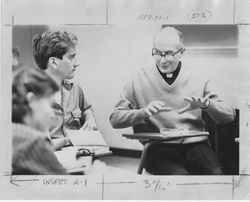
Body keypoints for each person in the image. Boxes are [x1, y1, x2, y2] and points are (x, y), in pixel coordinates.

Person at [109, 26, 236, 175]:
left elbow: (230, 116)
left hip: (196, 146)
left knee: (216, 177)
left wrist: (207, 105)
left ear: (182, 52)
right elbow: (115, 119)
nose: (162, 60)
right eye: (157, 53)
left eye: (169, 54)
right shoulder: (138, 78)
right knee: (179, 180)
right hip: (157, 148)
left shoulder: (198, 76)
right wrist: (142, 113)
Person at [32, 30, 98, 150]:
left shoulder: (75, 87)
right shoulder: (33, 96)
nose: (77, 63)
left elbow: (87, 109)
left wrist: (90, 119)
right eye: (71, 57)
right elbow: (42, 147)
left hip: (78, 156)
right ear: (53, 62)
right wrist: (73, 140)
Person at [12, 66, 67, 175]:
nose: (52, 114)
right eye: (49, 103)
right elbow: (68, 187)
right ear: (31, 100)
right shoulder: (33, 142)